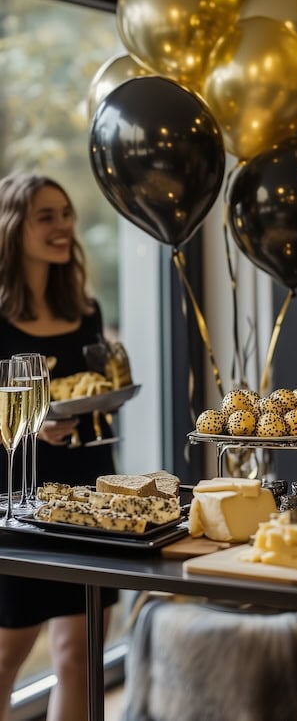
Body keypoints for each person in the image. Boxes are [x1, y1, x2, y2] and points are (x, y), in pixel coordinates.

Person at [0, 173, 118, 721]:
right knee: (5, 655)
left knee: (79, 653)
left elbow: (93, 393)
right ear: (12, 226)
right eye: (46, 216)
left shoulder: (86, 311)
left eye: (66, 213)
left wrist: (107, 395)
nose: (63, 226)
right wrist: (29, 423)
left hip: (88, 486)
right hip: (18, 495)